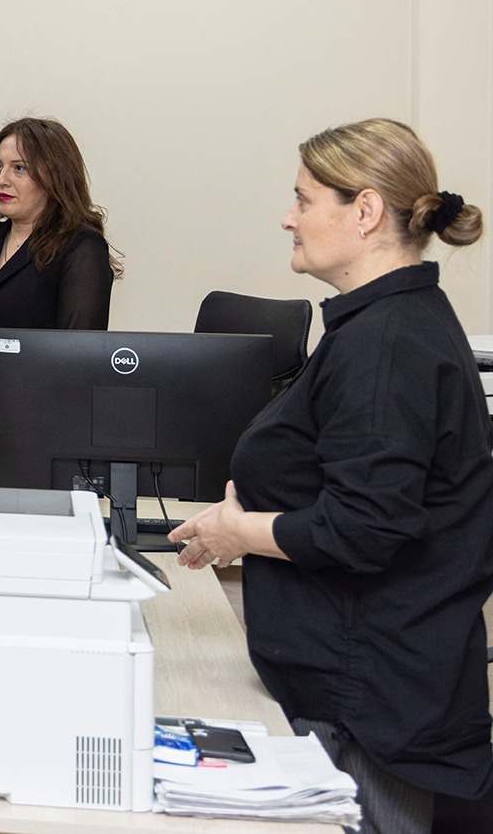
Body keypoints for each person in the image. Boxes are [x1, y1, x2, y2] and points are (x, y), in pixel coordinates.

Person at [172, 119, 493, 834]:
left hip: (370, 712)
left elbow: (364, 528)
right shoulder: (384, 323)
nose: (288, 218)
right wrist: (238, 530)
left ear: (366, 211)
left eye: (304, 199)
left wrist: (241, 532)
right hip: (362, 687)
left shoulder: (387, 345)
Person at [0, 117, 118, 485]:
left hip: (35, 451)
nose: (2, 179)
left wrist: (10, 445)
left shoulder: (81, 249)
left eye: (19, 168)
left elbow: (75, 367)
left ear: (55, 176)